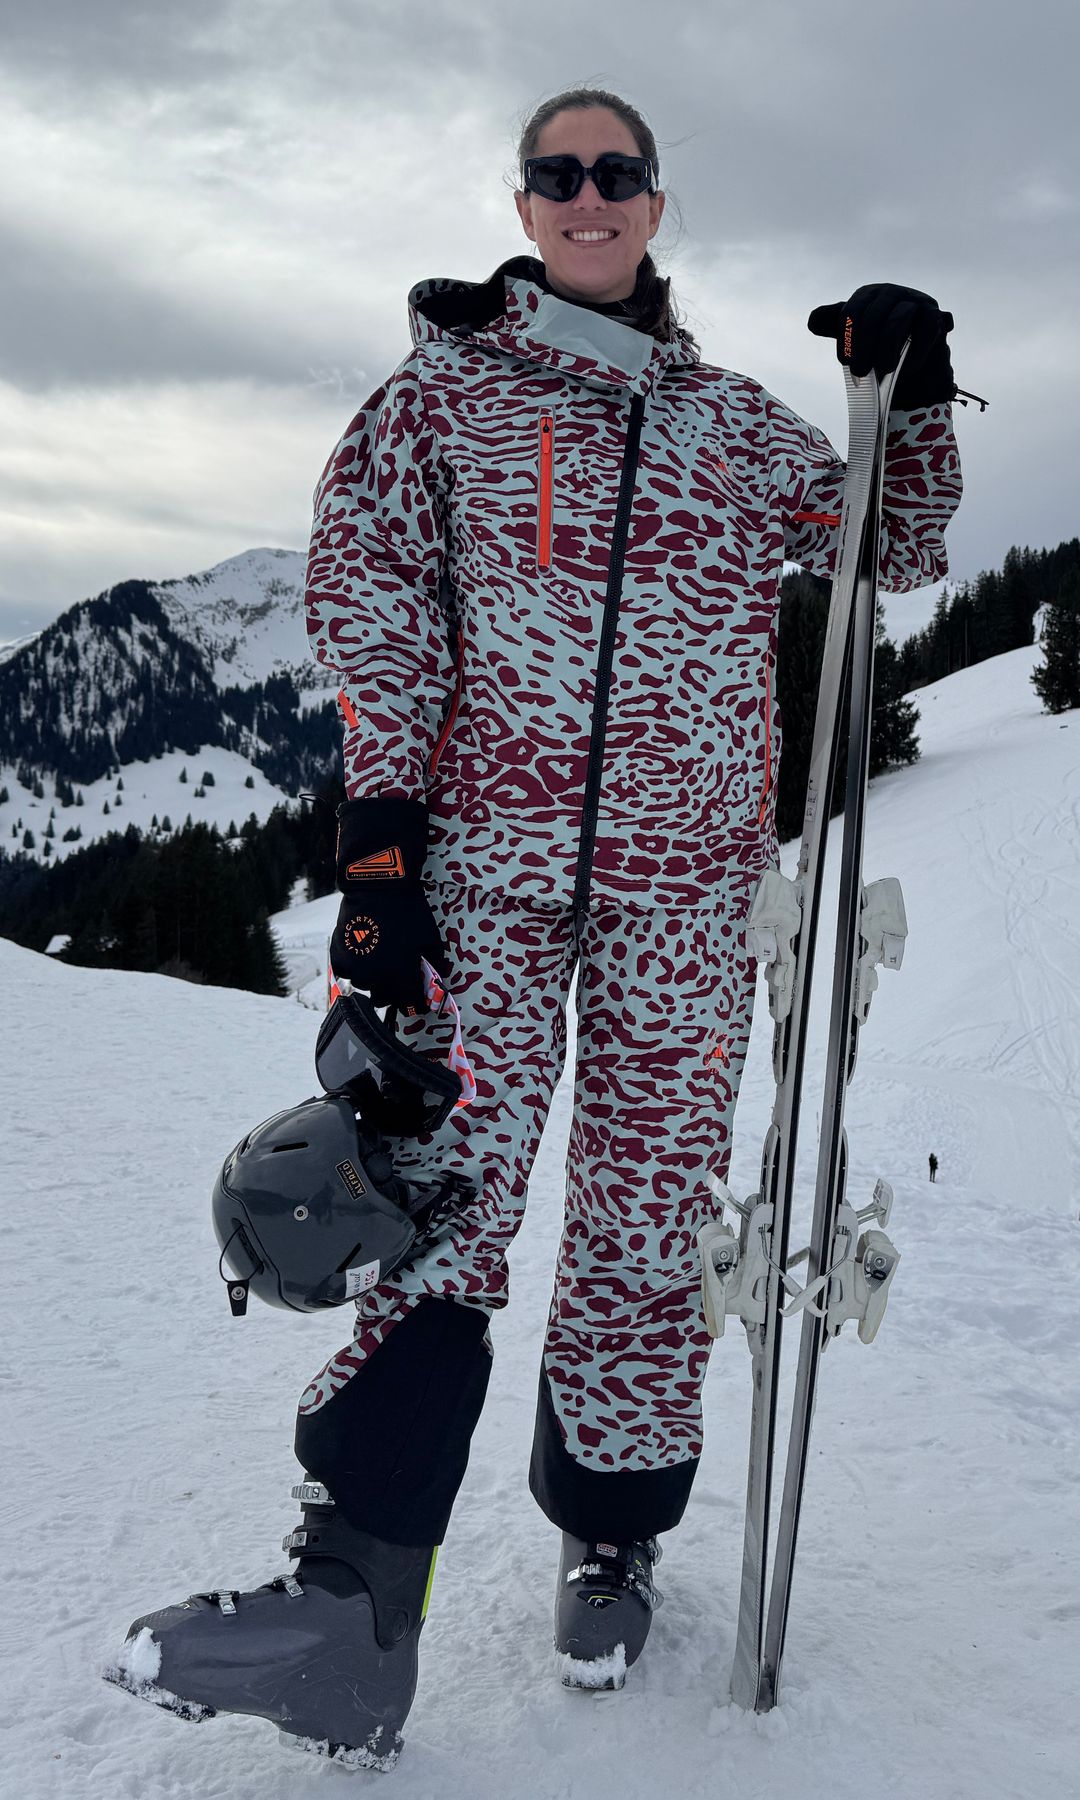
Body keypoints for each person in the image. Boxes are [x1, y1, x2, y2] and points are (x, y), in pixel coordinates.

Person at [104, 85, 963, 1769]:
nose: (588, 195)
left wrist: (909, 401)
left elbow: (897, 551)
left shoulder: (732, 425)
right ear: (524, 203)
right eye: (559, 173)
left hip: (689, 888)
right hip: (482, 879)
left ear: (653, 206)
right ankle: (355, 1607)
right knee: (438, 1198)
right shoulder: (436, 408)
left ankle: (613, 1532)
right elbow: (375, 620)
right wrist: (378, 865)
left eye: (616, 173)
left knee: (647, 1221)